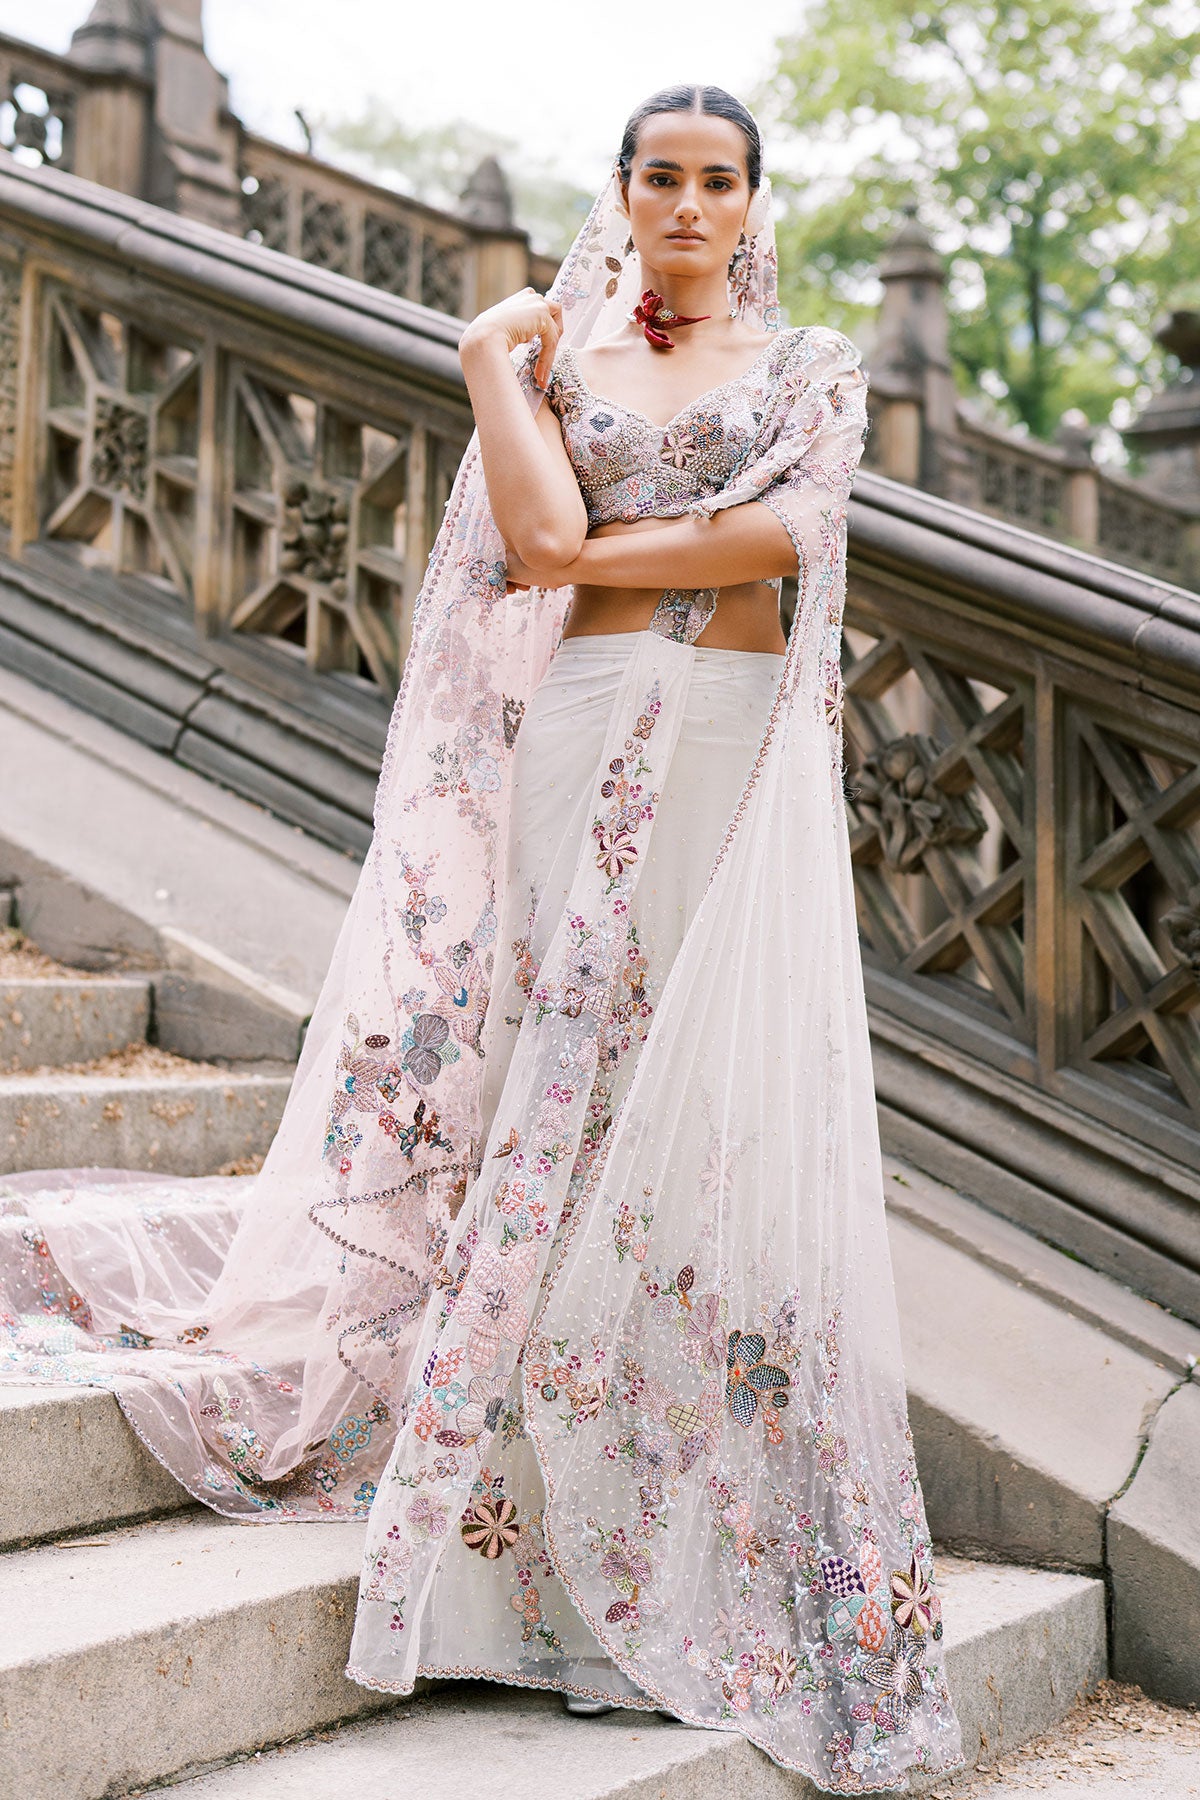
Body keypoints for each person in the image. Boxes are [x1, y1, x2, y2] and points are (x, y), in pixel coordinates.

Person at [0, 85, 962, 1793]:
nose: (687, 204)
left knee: (703, 1112)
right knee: (557, 1095)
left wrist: (611, 544)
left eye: (718, 180)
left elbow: (786, 537)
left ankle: (689, 1529)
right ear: (623, 192)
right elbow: (531, 548)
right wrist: (482, 364)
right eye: (660, 177)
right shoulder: (551, 359)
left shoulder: (811, 369)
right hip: (582, 727)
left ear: (755, 201)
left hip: (731, 737)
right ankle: (510, 1567)